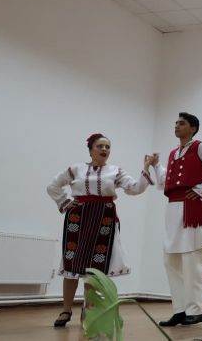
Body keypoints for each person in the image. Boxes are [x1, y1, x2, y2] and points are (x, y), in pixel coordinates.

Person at [46, 133, 154, 327]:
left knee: (95, 268)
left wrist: (146, 168)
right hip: (78, 218)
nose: (104, 149)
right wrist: (65, 202)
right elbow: (53, 186)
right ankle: (66, 310)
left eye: (107, 147)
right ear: (90, 150)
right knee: (72, 264)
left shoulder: (115, 171)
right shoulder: (76, 169)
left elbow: (135, 188)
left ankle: (89, 310)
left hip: (104, 219)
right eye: (100, 146)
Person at [149, 112, 202, 327]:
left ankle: (195, 310)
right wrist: (156, 166)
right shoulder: (173, 153)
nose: (176, 126)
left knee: (193, 260)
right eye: (176, 123)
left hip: (193, 209)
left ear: (193, 128)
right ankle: (180, 309)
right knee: (171, 260)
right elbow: (166, 181)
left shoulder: (200, 147)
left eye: (182, 123)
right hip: (173, 209)